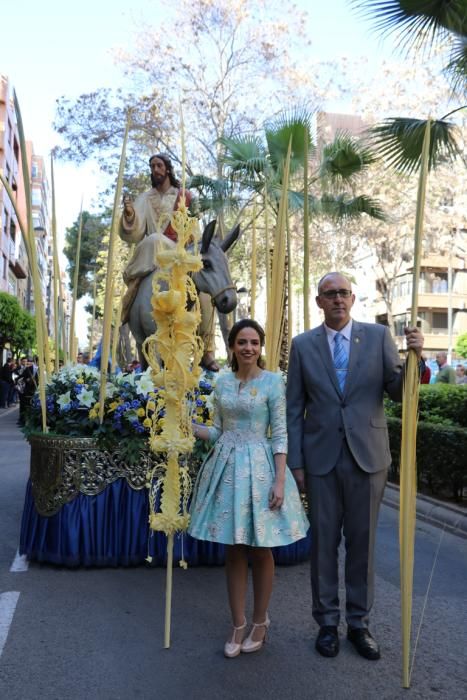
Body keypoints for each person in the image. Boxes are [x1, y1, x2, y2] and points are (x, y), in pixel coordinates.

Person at [286, 272, 424, 662]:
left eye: (343, 293)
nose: (337, 300)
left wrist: (415, 356)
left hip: (368, 456)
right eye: (329, 294)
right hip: (320, 460)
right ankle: (327, 624)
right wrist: (296, 462)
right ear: (318, 301)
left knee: (362, 545)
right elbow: (294, 407)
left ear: (353, 297)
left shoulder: (379, 338)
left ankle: (359, 624)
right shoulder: (303, 346)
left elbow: (398, 392)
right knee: (324, 545)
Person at [189, 319, 309, 658]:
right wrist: (188, 425)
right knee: (234, 548)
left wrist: (281, 479)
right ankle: (237, 623)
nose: (248, 348)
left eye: (254, 342)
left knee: (260, 548)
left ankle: (260, 621)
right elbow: (216, 431)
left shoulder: (273, 383)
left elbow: (281, 433)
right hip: (225, 467)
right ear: (231, 346)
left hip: (260, 469)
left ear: (261, 346)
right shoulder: (221, 382)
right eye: (242, 342)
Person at [119, 152, 218, 371]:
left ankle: (208, 351)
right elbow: (134, 233)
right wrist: (129, 215)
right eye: (152, 166)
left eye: (159, 165)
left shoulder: (184, 196)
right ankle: (135, 302)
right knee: (154, 239)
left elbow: (194, 231)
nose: (155, 169)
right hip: (155, 258)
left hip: (180, 253)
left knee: (203, 291)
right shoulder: (146, 198)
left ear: (168, 169)